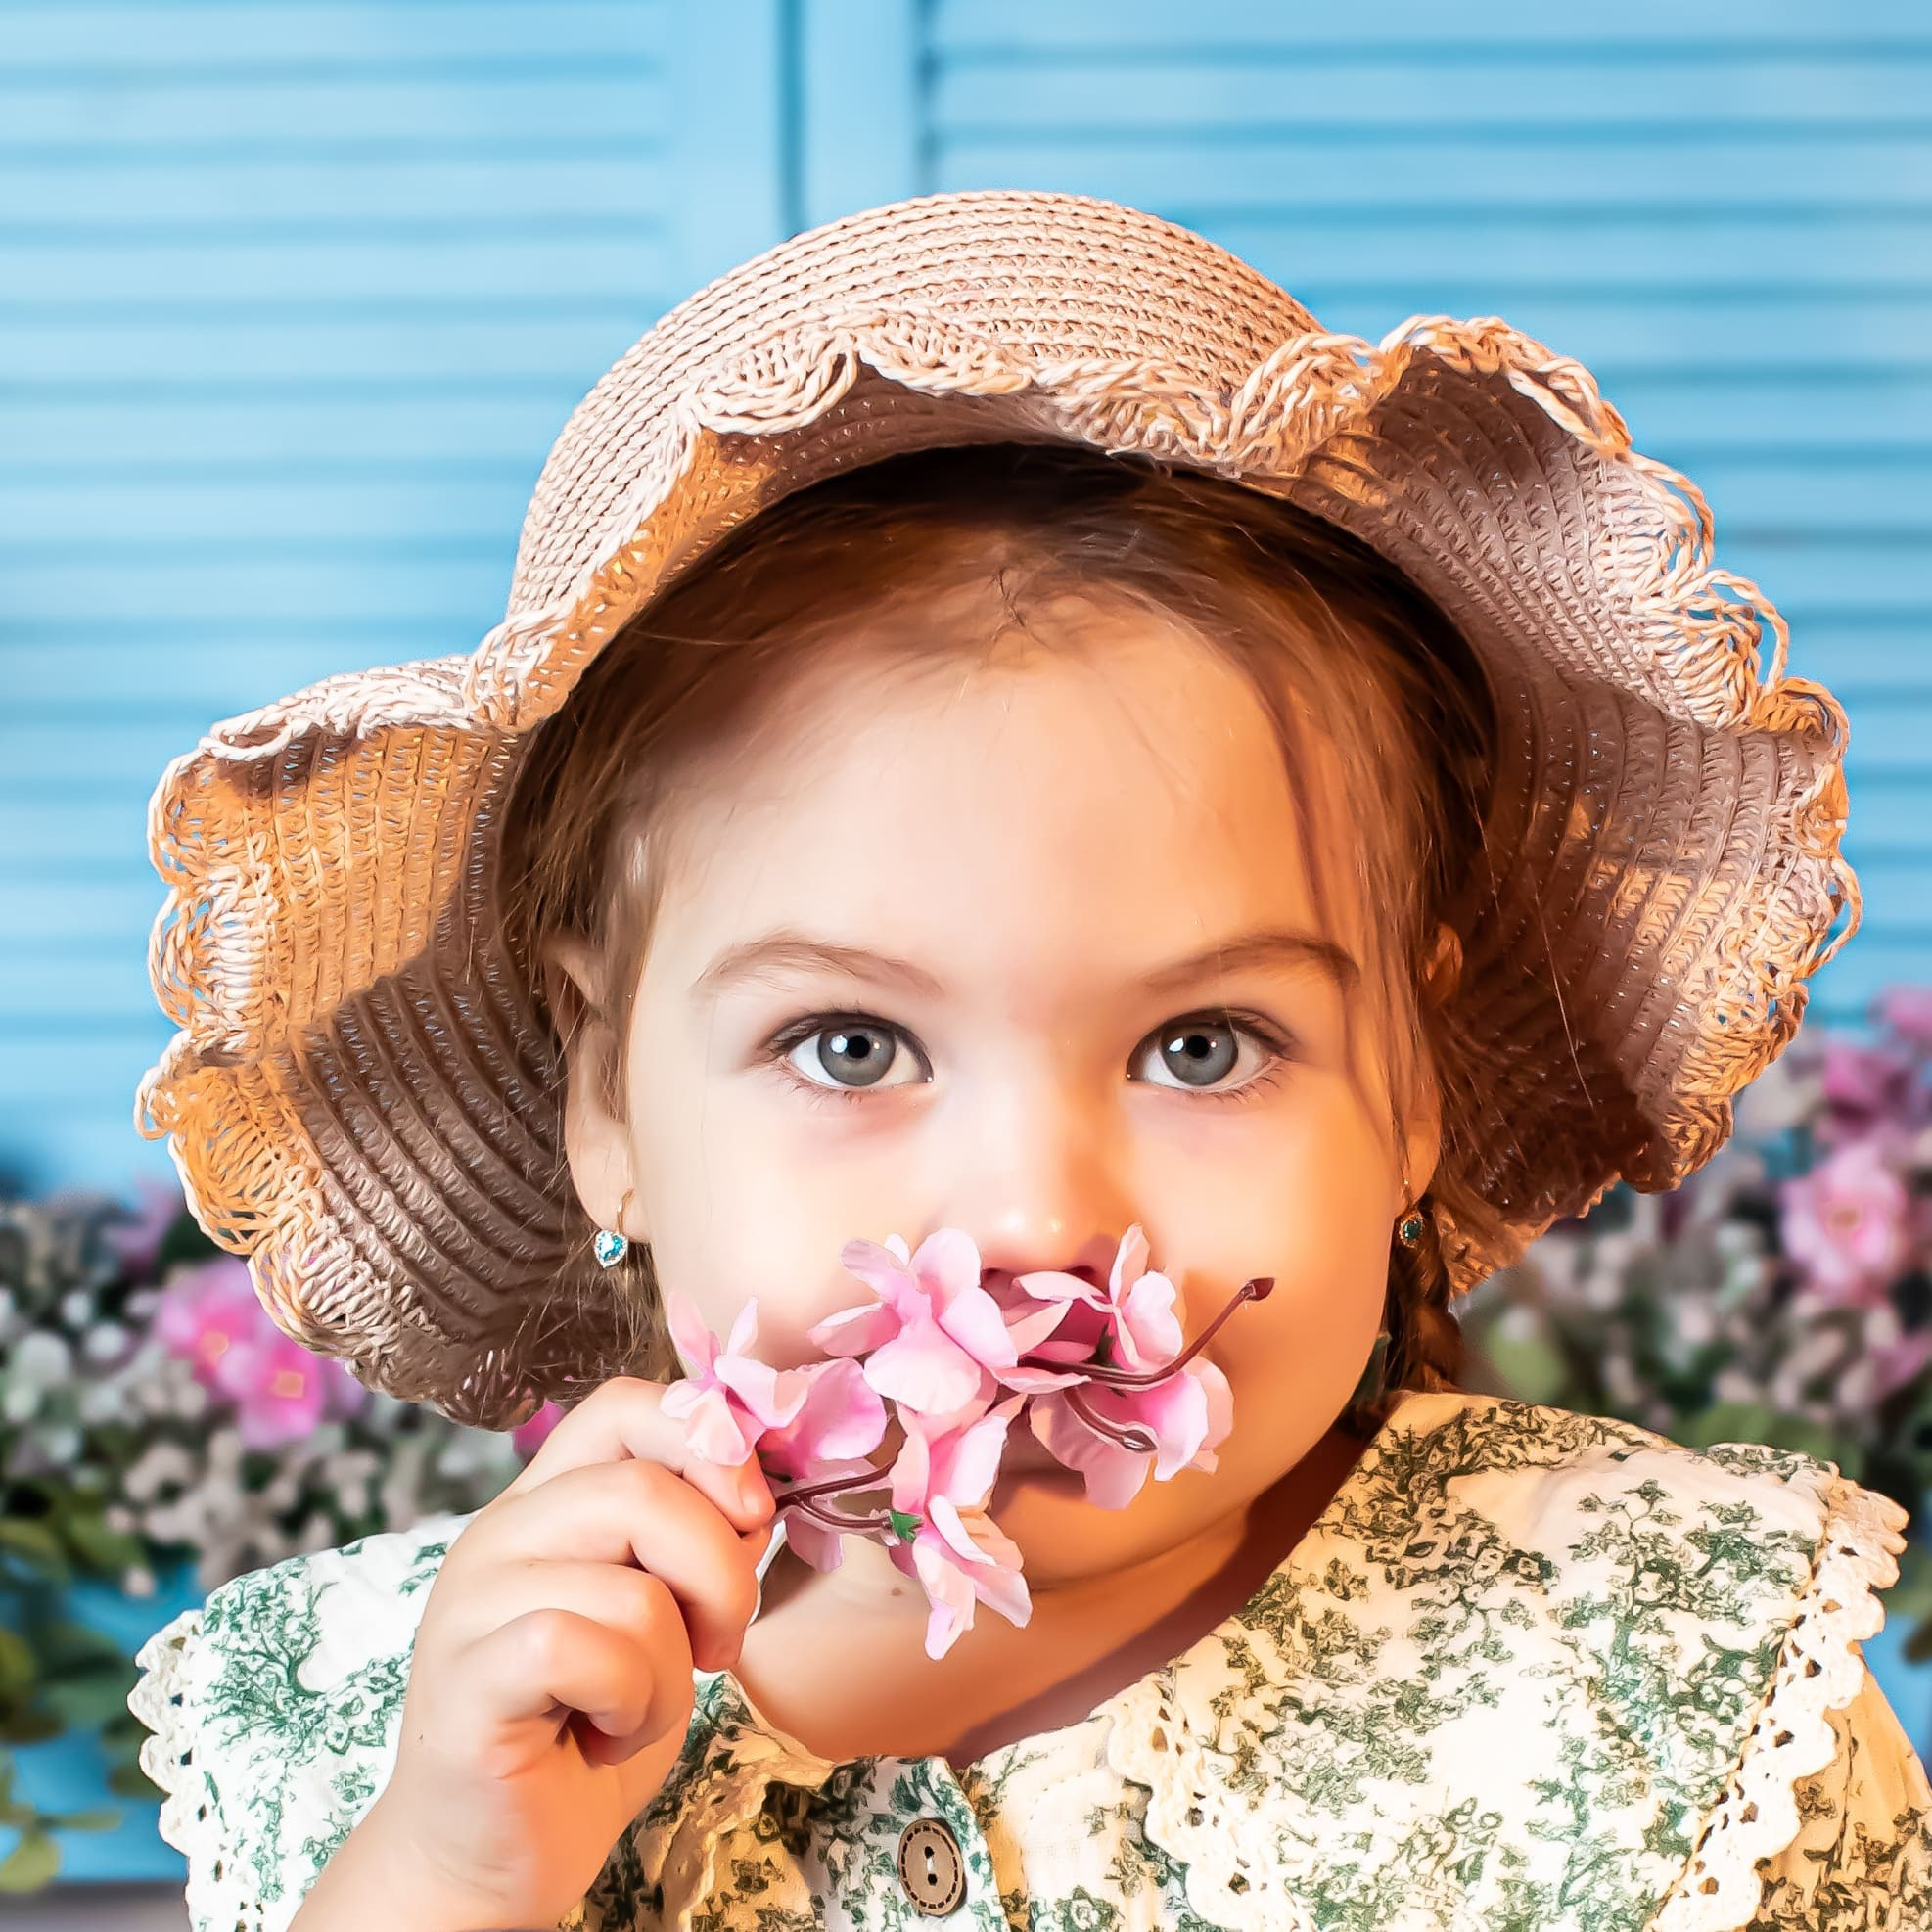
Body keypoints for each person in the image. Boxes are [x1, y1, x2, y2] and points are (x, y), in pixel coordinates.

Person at [124, 191, 1928, 1932]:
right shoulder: (396, 1736)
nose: (1027, 1216)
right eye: (849, 1043)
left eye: (1203, 1044)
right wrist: (447, 1884)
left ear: (1411, 1085)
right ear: (607, 1101)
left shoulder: (1664, 1674)